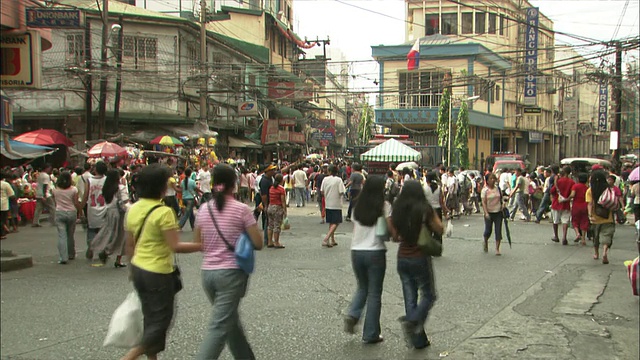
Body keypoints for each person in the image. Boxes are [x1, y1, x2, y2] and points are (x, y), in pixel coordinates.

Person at [122, 164, 202, 360]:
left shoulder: (133, 209)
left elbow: (129, 245)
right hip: (158, 273)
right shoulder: (164, 212)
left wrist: (132, 270)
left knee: (150, 318)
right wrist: (201, 245)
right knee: (160, 323)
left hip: (140, 269)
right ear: (160, 187)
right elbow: (175, 246)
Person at [194, 164, 263, 360]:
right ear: (234, 184)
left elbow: (199, 243)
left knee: (229, 321)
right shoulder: (241, 210)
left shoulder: (204, 209)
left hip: (208, 273)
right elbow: (258, 243)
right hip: (231, 273)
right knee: (219, 327)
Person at [391, 180, 443, 349]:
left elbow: (394, 235)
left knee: (410, 298)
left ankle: (419, 340)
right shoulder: (424, 208)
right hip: (419, 257)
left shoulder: (397, 208)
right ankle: (412, 321)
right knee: (429, 295)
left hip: (402, 257)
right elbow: (439, 229)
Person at [343, 176, 392, 344]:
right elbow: (387, 231)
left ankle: (353, 314)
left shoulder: (357, 205)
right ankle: (371, 333)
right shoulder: (383, 206)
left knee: (362, 286)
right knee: (374, 293)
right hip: (375, 251)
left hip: (356, 250)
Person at [90, 170, 131, 268]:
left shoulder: (107, 188)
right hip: (120, 214)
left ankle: (105, 250)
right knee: (121, 236)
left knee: (110, 233)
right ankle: (113, 255)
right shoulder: (120, 188)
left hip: (109, 212)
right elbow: (125, 201)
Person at [586, 170, 616, 264]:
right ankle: (604, 252)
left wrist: (590, 215)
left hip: (595, 217)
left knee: (596, 236)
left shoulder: (590, 190)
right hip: (608, 216)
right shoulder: (609, 189)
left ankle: (596, 253)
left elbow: (590, 204)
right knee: (607, 235)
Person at [51, 171, 80, 264]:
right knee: (70, 235)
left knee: (61, 236)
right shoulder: (74, 189)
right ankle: (71, 254)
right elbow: (75, 202)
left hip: (59, 212)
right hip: (71, 212)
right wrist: (80, 212)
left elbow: (54, 201)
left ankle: (63, 257)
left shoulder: (55, 189)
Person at [82, 161, 109, 260]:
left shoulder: (89, 181)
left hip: (91, 209)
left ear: (95, 169)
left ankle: (91, 246)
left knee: (91, 230)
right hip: (104, 208)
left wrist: (80, 209)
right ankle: (103, 249)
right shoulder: (107, 180)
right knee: (104, 231)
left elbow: (85, 196)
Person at [320, 165, 346, 247]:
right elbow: (342, 191)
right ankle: (326, 238)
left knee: (331, 222)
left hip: (328, 203)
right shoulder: (338, 180)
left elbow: (322, 191)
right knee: (336, 222)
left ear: (329, 171)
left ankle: (332, 239)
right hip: (336, 203)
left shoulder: (325, 179)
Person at [550, 166, 575, 245]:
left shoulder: (558, 181)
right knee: (565, 221)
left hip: (557, 203)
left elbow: (552, 191)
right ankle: (564, 237)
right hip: (566, 203)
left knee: (555, 220)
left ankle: (556, 236)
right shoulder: (572, 182)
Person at [481, 173, 504, 255]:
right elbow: (483, 202)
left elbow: (501, 198)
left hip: (498, 212)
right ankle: (485, 240)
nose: (493, 180)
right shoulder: (485, 190)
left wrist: (503, 205)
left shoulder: (498, 188)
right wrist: (486, 213)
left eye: (493, 178)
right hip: (489, 212)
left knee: (498, 230)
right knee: (488, 230)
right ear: (487, 181)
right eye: (491, 179)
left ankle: (497, 249)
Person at [267, 173, 287, 248]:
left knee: (270, 225)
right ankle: (276, 242)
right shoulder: (281, 189)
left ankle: (269, 241)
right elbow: (283, 201)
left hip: (270, 206)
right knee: (277, 225)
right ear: (282, 180)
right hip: (277, 207)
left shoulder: (271, 188)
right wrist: (285, 210)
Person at [568, 173, 589, 246]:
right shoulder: (587, 188)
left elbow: (572, 195)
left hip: (576, 205)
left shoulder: (575, 186)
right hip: (585, 206)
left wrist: (568, 198)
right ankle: (583, 239)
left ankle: (577, 233)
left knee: (575, 220)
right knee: (584, 221)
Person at [0, 172, 16, 240]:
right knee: (3, 219)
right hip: (3, 204)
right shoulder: (5, 184)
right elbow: (12, 195)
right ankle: (2, 234)